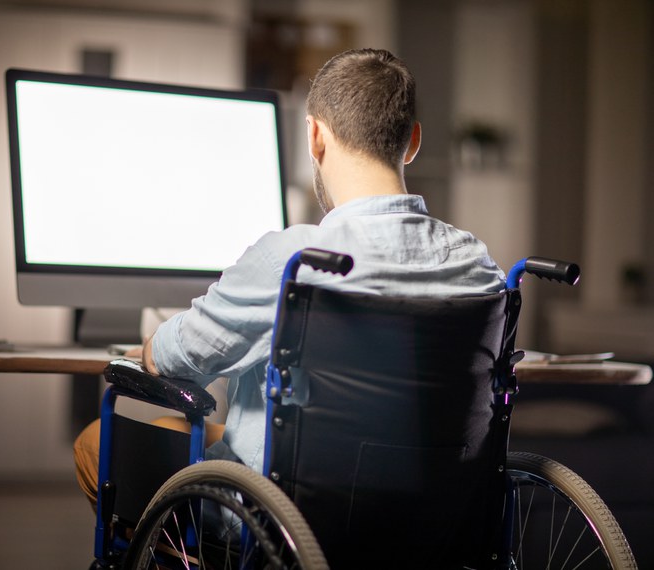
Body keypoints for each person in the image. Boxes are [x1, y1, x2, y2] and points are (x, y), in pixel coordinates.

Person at [74, 47, 506, 507]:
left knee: (97, 441)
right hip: (434, 511)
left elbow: (177, 358)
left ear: (315, 136)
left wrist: (151, 347)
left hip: (289, 515)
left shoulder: (294, 262)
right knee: (174, 429)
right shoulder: (476, 265)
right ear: (413, 141)